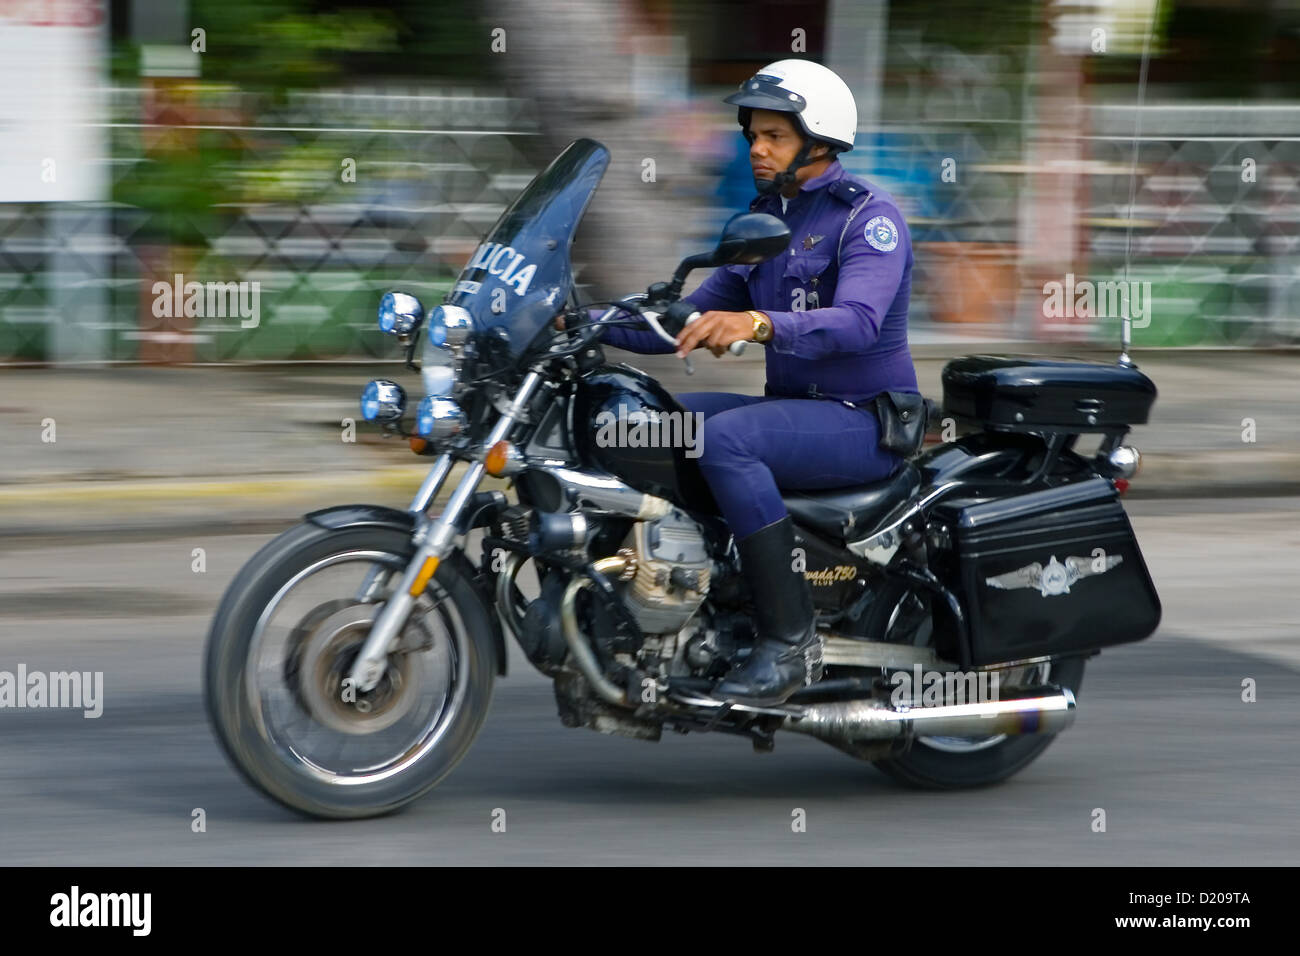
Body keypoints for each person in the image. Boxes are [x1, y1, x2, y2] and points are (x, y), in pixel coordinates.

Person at [562, 59, 920, 706]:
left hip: (863, 421)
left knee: (725, 441)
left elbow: (858, 324)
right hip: (796, 412)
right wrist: (570, 320)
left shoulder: (869, 218)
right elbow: (684, 321)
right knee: (637, 426)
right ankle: (696, 593)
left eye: (774, 136)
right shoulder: (767, 223)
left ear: (818, 140)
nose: (755, 147)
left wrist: (756, 323)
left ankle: (789, 641)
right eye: (752, 134)